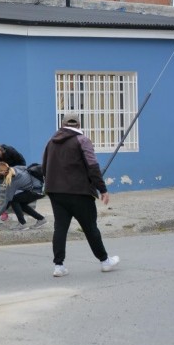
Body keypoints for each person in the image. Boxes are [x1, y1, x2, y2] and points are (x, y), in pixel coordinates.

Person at [43, 113, 119, 277]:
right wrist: (102, 189)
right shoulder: (82, 140)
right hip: (79, 192)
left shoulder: (51, 141)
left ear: (62, 124)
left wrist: (50, 185)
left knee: (60, 228)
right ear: (78, 125)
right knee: (90, 228)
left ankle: (58, 266)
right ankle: (105, 261)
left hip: (55, 192)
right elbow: (92, 166)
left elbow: (45, 166)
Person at [0, 162, 47, 230]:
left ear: (3, 172)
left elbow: (6, 203)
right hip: (42, 188)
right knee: (21, 204)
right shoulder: (16, 167)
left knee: (13, 200)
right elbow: (26, 168)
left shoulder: (12, 181)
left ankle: (22, 224)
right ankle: (41, 219)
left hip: (37, 191)